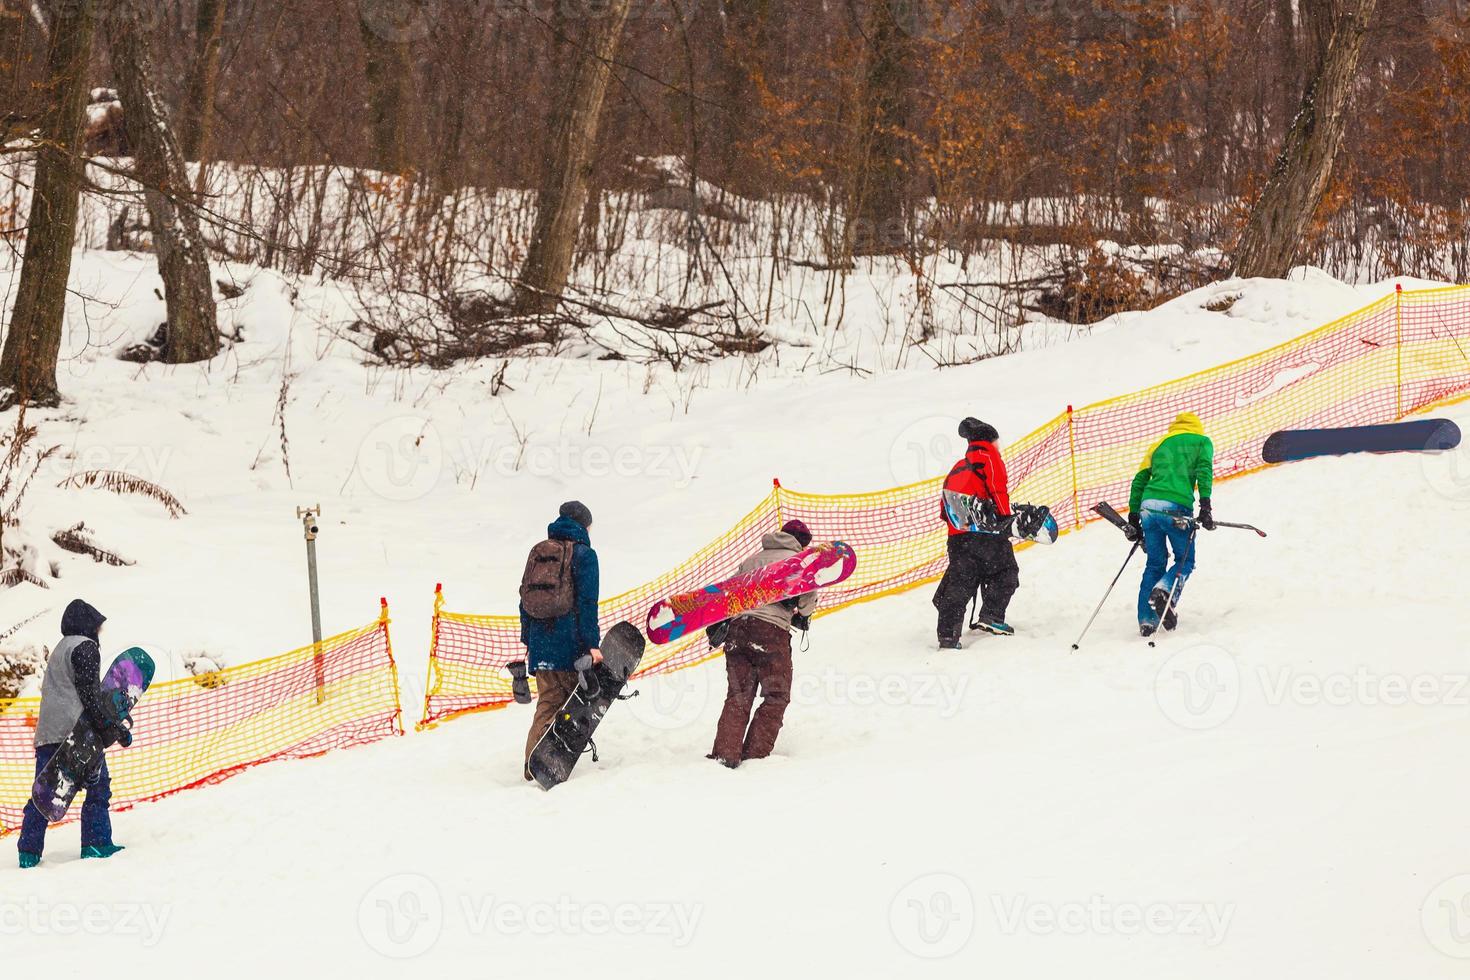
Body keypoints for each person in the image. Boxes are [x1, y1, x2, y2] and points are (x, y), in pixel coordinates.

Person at [18, 599, 130, 869]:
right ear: (88, 625)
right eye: (97, 627)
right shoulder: (86, 647)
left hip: (48, 733)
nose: (99, 633)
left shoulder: (60, 649)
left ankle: (28, 852)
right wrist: (112, 729)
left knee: (44, 792)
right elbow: (90, 697)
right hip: (76, 733)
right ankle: (96, 842)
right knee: (98, 786)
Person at [709, 519, 818, 768]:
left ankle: (725, 755)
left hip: (738, 630)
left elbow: (729, 595)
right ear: (802, 543)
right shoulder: (800, 564)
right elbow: (806, 605)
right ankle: (755, 757)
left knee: (738, 694)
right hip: (771, 634)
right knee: (776, 695)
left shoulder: (752, 560)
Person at [519, 501, 601, 780]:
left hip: (541, 646)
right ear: (583, 525)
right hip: (571, 645)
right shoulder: (584, 555)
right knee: (570, 705)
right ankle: (549, 764)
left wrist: (529, 639)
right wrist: (592, 646)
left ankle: (533, 767)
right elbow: (588, 603)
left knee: (548, 702)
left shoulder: (539, 552)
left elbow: (524, 600)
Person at [1124, 411, 1215, 637]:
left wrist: (1134, 514)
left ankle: (1147, 620)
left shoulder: (1158, 445)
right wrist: (1205, 506)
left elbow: (1140, 479)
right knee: (1186, 559)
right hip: (1175, 508)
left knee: (1155, 562)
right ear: (1197, 427)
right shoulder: (1202, 441)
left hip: (1148, 507)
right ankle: (1166, 592)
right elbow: (1204, 471)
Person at [932, 417, 1018, 648]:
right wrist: (1005, 518)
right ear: (990, 440)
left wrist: (958, 532)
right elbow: (998, 489)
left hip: (958, 536)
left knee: (961, 582)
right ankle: (992, 615)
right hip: (985, 532)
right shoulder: (989, 458)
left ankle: (948, 635)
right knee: (1006, 571)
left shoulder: (959, 466)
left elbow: (944, 506)